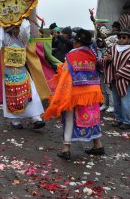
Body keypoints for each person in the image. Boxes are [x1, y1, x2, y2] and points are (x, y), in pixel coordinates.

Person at [44, 29, 104, 160]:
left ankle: (66, 149)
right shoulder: (92, 53)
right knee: (93, 117)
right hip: (92, 92)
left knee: (70, 118)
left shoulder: (72, 55)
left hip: (75, 93)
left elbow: (66, 74)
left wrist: (61, 94)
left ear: (77, 43)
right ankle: (98, 145)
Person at [0, 19, 46, 129]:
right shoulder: (6, 39)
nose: (16, 30)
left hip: (22, 72)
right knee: (12, 97)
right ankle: (16, 121)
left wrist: (23, 17)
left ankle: (36, 118)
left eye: (17, 28)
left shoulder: (23, 39)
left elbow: (25, 30)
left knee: (31, 94)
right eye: (14, 28)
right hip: (9, 74)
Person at [99, 29, 130, 130]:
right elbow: (103, 60)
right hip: (114, 79)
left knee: (125, 102)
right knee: (116, 102)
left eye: (124, 37)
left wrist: (121, 72)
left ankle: (127, 122)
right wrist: (107, 60)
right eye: (120, 37)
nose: (121, 39)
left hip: (126, 80)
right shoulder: (112, 48)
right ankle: (119, 120)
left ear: (129, 39)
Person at [93, 38, 113, 113]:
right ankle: (105, 104)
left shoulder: (108, 49)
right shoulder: (95, 50)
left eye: (101, 42)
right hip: (100, 71)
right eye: (99, 42)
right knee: (103, 89)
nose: (100, 43)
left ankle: (111, 105)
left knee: (108, 89)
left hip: (107, 71)